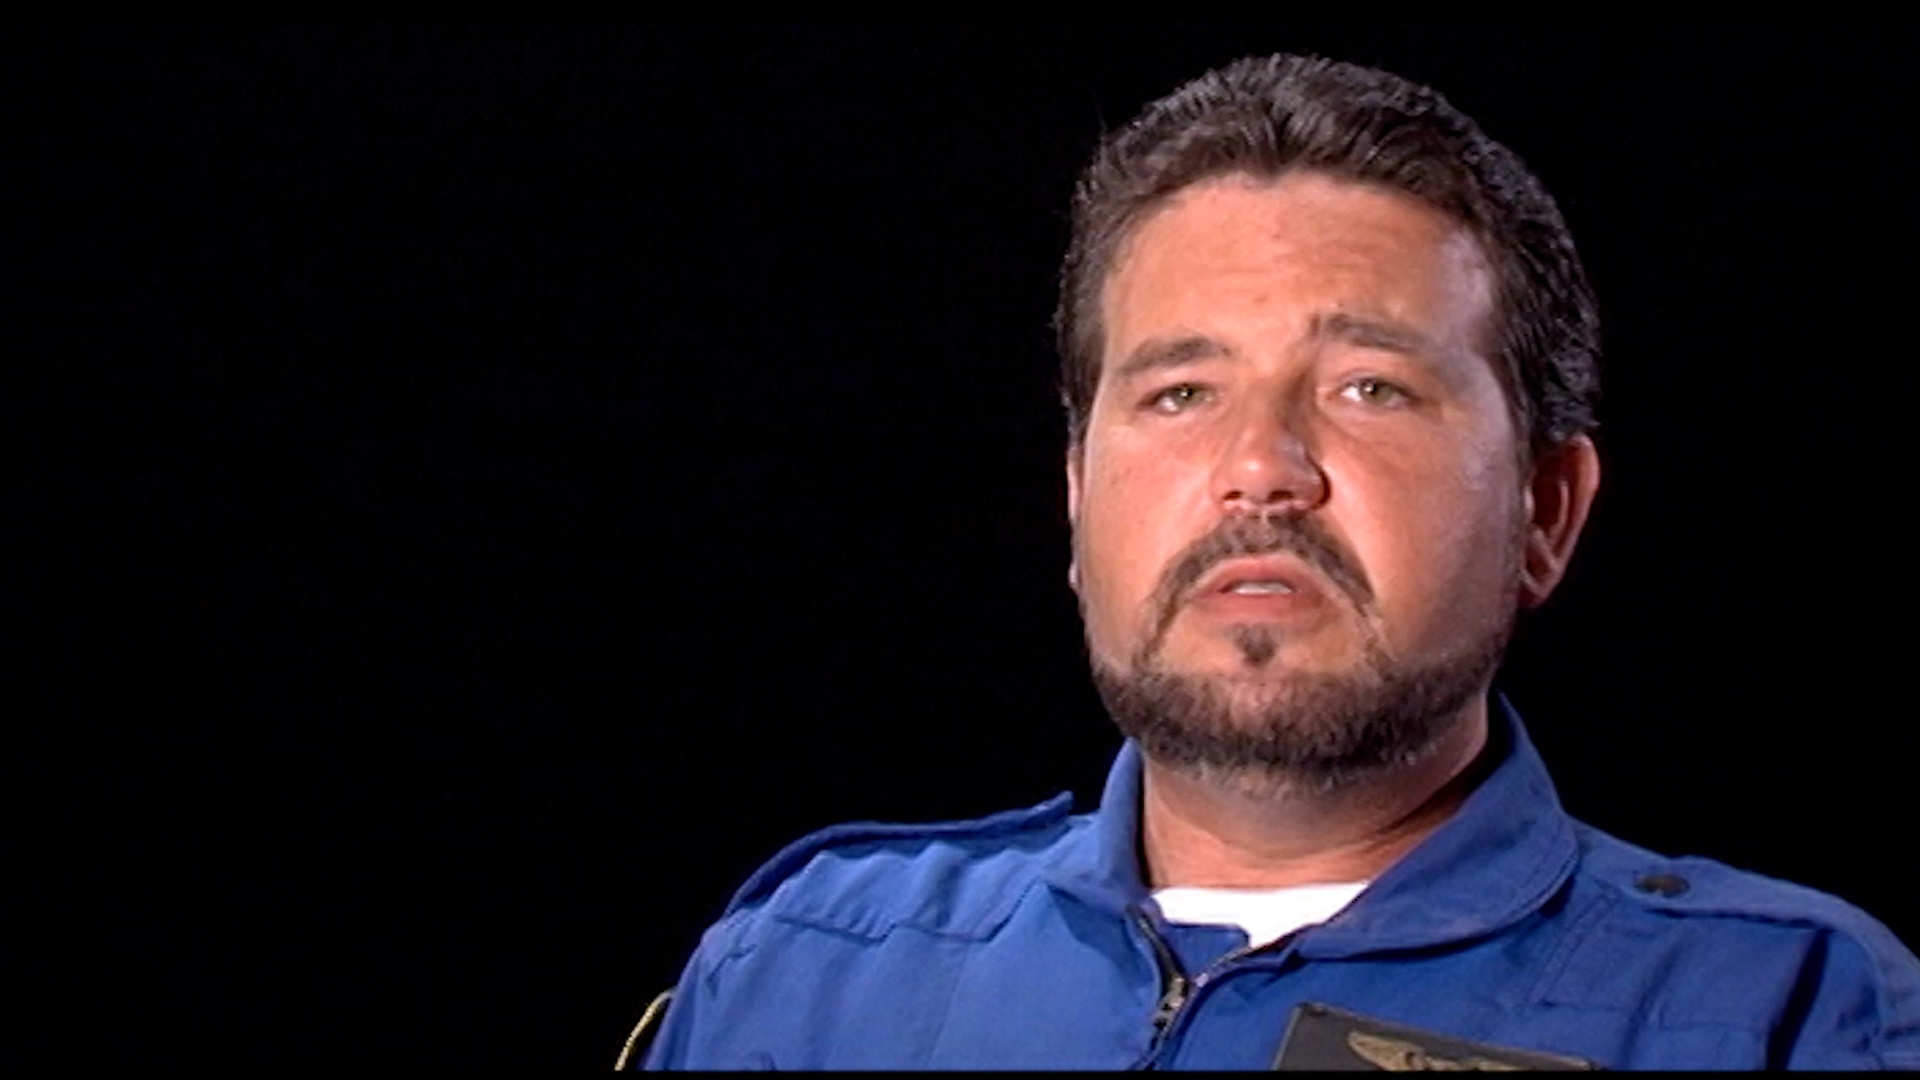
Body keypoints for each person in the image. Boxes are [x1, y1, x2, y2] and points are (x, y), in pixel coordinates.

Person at [623, 53, 1920, 1070]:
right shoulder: (808, 976)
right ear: (1077, 497)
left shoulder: (1792, 1015)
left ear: (1545, 512)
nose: (1260, 469)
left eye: (1368, 387)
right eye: (1181, 393)